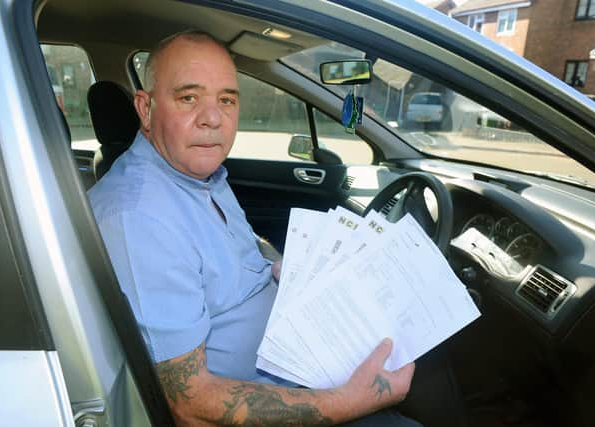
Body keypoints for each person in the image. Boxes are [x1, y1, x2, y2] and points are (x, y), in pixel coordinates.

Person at [89, 30, 420, 426]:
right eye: (188, 98)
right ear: (145, 109)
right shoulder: (140, 217)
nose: (213, 118)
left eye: (226, 100)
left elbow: (236, 255)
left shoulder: (200, 174)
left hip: (300, 360)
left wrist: (286, 270)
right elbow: (190, 405)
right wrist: (348, 401)